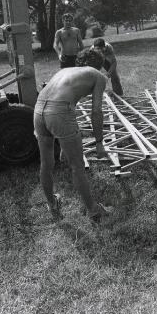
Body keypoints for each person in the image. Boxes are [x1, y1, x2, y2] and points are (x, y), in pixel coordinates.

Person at [34, 48, 111, 222]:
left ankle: (51, 203)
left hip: (38, 110)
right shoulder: (97, 76)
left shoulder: (64, 71)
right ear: (99, 65)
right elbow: (97, 112)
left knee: (46, 163)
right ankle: (94, 210)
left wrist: (63, 142)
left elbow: (64, 99)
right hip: (58, 112)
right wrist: (99, 142)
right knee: (77, 165)